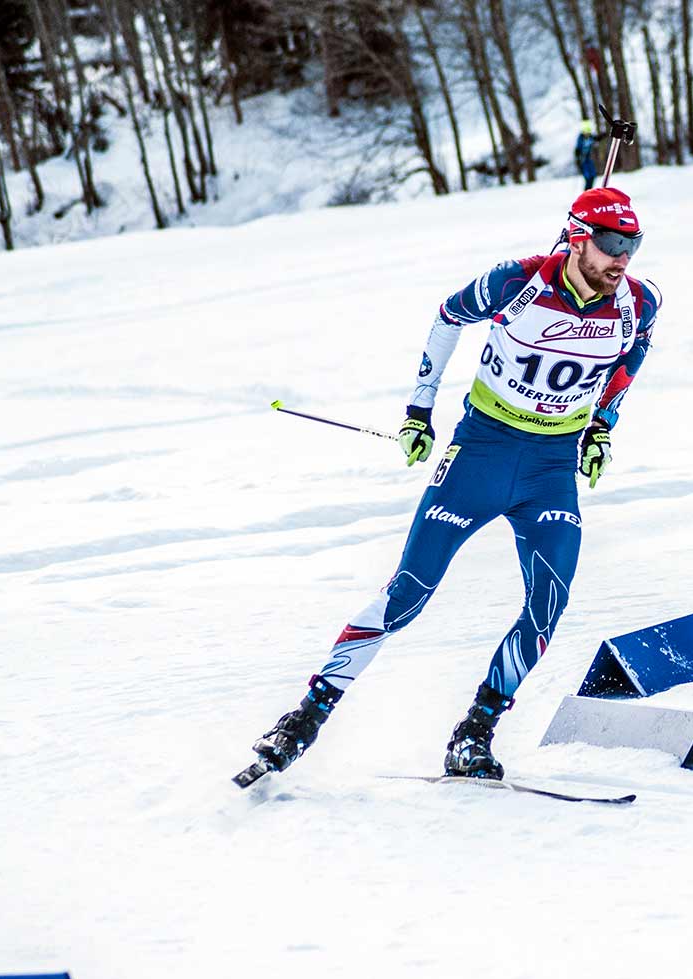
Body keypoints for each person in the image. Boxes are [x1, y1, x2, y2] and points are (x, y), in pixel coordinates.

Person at [246, 187, 662, 782]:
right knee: (406, 595)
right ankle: (303, 719)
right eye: (612, 242)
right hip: (481, 453)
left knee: (547, 605)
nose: (623, 257)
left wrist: (603, 424)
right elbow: (448, 318)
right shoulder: (516, 284)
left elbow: (632, 357)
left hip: (550, 469)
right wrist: (420, 410)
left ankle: (475, 732)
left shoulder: (637, 304)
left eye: (633, 244)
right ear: (577, 238)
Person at [575, 120, 598, 190]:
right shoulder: (580, 139)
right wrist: (578, 158)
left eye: (589, 132)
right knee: (588, 177)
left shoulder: (590, 137)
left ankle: (590, 191)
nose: (587, 134)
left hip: (588, 159)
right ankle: (586, 192)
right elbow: (577, 149)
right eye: (586, 132)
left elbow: (596, 139)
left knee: (593, 175)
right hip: (583, 160)